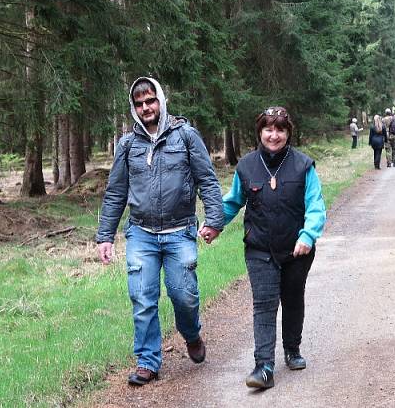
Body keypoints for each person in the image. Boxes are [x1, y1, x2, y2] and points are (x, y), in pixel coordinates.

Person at [96, 77, 224, 386]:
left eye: (150, 100)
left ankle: (191, 335)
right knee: (142, 297)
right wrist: (105, 236)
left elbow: (207, 179)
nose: (145, 108)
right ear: (133, 107)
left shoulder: (186, 136)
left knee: (185, 296)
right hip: (141, 233)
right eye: (139, 103)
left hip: (180, 231)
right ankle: (148, 361)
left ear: (161, 100)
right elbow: (115, 193)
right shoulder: (127, 145)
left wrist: (214, 220)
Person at [203, 106, 326, 389]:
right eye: (268, 129)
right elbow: (232, 202)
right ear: (260, 132)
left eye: (280, 129)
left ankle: (292, 349)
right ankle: (264, 366)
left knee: (293, 299)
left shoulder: (303, 165)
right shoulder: (246, 166)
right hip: (259, 248)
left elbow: (316, 206)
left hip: (297, 250)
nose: (274, 135)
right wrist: (213, 224)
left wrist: (307, 236)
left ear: (287, 133)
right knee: (264, 303)